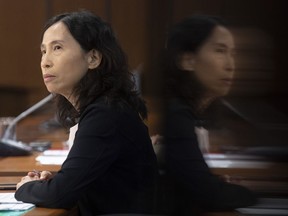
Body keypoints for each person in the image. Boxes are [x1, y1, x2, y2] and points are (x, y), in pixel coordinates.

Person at [15, 10, 158, 215]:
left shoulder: (106, 115)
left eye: (57, 48)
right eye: (43, 51)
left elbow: (60, 195)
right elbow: (76, 184)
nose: (45, 61)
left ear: (93, 58)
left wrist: (26, 187)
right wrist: (55, 182)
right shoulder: (106, 109)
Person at [155, 15, 257, 215]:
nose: (231, 64)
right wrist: (253, 193)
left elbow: (196, 184)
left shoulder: (184, 112)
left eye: (232, 53)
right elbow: (208, 194)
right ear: (188, 60)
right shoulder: (177, 115)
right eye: (220, 51)